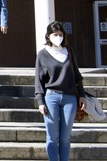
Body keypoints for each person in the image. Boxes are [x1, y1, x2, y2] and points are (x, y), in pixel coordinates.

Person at [35, 22, 84, 161]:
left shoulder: (69, 51)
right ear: (48, 36)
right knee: (52, 136)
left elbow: (77, 74)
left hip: (70, 98)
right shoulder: (42, 54)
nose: (58, 37)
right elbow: (38, 79)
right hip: (51, 97)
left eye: (60, 34)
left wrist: (82, 95)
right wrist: (40, 101)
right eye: (55, 34)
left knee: (65, 136)